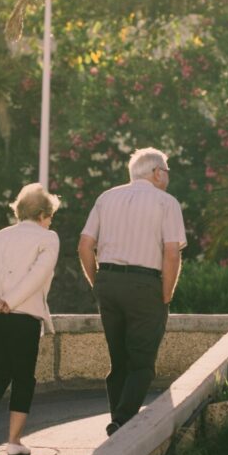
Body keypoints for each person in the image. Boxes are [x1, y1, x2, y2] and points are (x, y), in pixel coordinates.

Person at [77, 147, 187, 437]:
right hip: (145, 285)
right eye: (166, 171)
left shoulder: (106, 197)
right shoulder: (166, 202)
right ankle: (123, 421)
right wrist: (166, 293)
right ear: (155, 173)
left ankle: (117, 421)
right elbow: (172, 253)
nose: (168, 177)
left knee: (119, 361)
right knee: (142, 364)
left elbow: (85, 245)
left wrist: (97, 282)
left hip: (109, 282)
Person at [0, 183, 60, 455]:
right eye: (50, 215)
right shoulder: (48, 237)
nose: (51, 221)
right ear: (42, 213)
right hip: (21, 317)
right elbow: (38, 274)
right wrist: (9, 302)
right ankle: (14, 441)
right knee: (23, 378)